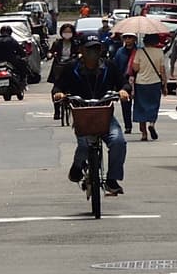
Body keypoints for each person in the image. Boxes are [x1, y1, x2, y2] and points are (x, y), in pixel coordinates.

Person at [53, 27, 129, 191]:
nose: (93, 53)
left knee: (118, 141)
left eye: (96, 49)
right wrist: (59, 94)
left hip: (105, 114)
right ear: (81, 50)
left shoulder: (109, 66)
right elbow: (58, 86)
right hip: (82, 115)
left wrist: (124, 90)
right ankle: (77, 166)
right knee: (84, 145)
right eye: (89, 49)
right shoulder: (71, 67)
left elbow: (123, 82)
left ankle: (112, 179)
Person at [128, 27, 172, 140]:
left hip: (141, 83)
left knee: (140, 107)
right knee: (153, 106)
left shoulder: (139, 51)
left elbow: (135, 68)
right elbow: (162, 70)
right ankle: (151, 124)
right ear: (156, 41)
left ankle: (144, 134)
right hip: (155, 83)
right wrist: (165, 86)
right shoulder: (159, 52)